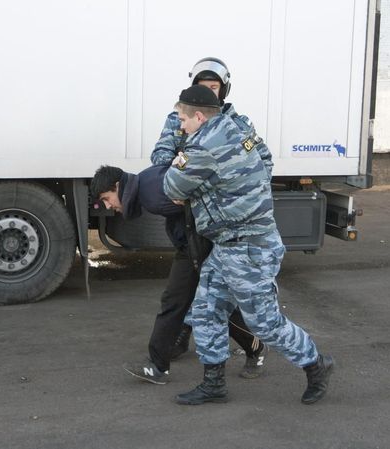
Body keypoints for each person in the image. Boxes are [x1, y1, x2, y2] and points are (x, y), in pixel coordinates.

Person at [164, 84, 334, 405]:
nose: (179, 126)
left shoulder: (200, 147)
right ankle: (213, 384)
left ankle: (316, 365)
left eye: (182, 119)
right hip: (231, 244)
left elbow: (172, 186)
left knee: (265, 323)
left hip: (249, 248)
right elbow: (264, 160)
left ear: (198, 116)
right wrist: (242, 188)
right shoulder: (237, 127)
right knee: (205, 310)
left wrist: (194, 176)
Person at [90, 163, 264, 385]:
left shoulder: (151, 193)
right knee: (173, 301)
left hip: (205, 249)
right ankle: (157, 365)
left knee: (216, 306)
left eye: (107, 198)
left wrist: (208, 255)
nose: (109, 206)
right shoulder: (146, 185)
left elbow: (201, 205)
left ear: (117, 186)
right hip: (189, 248)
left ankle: (255, 347)